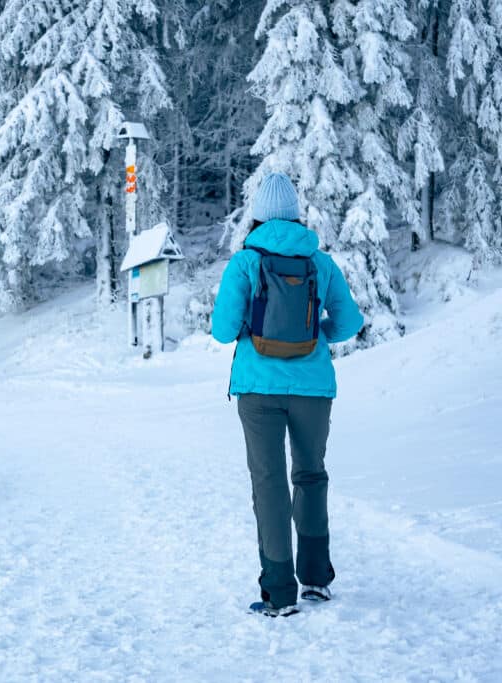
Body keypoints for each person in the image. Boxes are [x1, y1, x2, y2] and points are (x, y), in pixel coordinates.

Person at [211, 172, 364, 617]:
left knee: (270, 484)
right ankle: (316, 578)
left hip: (258, 389)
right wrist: (316, 335)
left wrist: (251, 332)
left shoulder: (245, 262)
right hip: (314, 387)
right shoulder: (319, 262)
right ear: (296, 213)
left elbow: (222, 331)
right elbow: (350, 322)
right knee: (311, 475)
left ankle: (279, 593)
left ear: (257, 214)